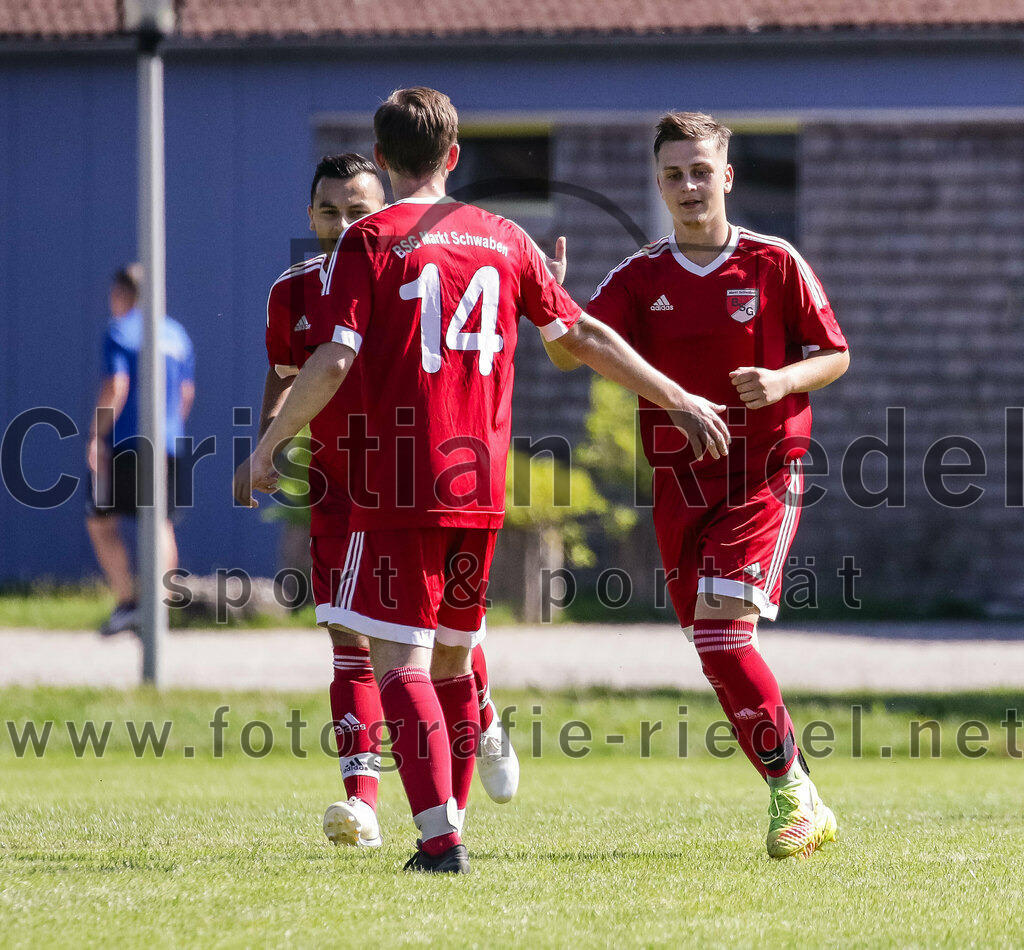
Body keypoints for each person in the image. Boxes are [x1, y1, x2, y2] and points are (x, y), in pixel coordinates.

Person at [234, 87, 728, 874]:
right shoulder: (506, 239)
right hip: (480, 489)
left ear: (386, 161)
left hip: (398, 482)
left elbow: (333, 357)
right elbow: (583, 338)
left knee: (397, 663)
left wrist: (272, 440)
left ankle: (439, 841)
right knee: (456, 664)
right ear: (455, 156)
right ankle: (452, 821)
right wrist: (675, 393)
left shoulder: (369, 242)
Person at [582, 112, 850, 859]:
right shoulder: (640, 276)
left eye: (702, 171)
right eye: (674, 174)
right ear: (659, 183)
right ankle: (800, 791)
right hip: (678, 487)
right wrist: (550, 307)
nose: (689, 186)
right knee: (712, 644)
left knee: (726, 634)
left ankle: (795, 795)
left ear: (726, 176)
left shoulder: (773, 261)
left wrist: (781, 379)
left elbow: (834, 354)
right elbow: (579, 347)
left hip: (763, 477)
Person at [260, 153, 520, 852]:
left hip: (410, 483)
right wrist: (268, 445)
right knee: (350, 640)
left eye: (358, 210)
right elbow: (285, 375)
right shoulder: (292, 291)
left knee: (432, 646)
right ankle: (363, 803)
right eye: (328, 211)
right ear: (308, 214)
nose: (343, 223)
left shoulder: (401, 263)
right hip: (339, 489)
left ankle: (479, 719)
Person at [86, 264, 194, 637]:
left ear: (121, 295)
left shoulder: (121, 330)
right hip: (169, 442)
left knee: (100, 520)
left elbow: (117, 385)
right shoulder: (176, 334)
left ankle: (129, 603)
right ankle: (158, 612)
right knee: (160, 521)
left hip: (128, 441)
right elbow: (185, 395)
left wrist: (95, 437)